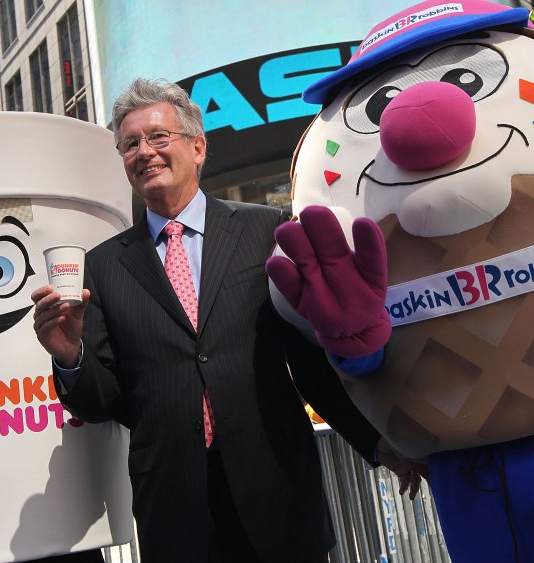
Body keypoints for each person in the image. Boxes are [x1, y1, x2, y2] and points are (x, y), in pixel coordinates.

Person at [31, 78, 422, 563]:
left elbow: (307, 358)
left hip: (277, 489)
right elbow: (105, 399)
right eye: (129, 144)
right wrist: (70, 355)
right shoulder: (105, 266)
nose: (144, 152)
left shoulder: (266, 231)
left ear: (198, 147)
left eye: (157, 137)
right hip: (176, 510)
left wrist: (376, 440)